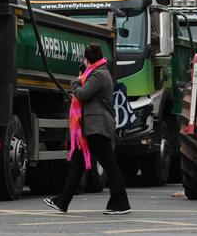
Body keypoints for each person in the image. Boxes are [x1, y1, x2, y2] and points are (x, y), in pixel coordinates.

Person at [43, 43, 131, 215]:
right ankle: (62, 202)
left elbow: (83, 94)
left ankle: (121, 204)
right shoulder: (99, 73)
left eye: (84, 59)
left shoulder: (98, 75)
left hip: (97, 128)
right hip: (90, 129)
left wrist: (75, 82)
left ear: (88, 60)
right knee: (77, 166)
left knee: (110, 166)